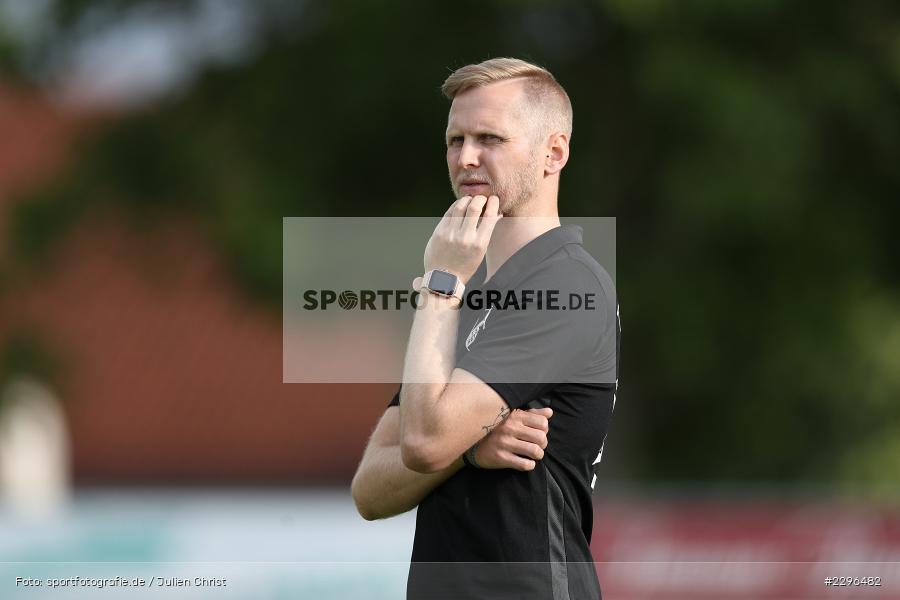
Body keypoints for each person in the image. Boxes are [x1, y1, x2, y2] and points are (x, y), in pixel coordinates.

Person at [351, 57, 619, 599]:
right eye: (456, 140)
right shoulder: (464, 296)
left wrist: (440, 284)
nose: (466, 157)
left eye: (489, 138)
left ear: (554, 153)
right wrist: (470, 450)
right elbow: (370, 489)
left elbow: (422, 444)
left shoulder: (567, 284)